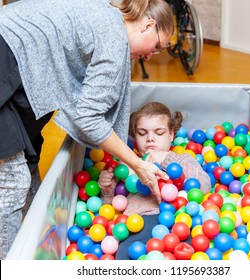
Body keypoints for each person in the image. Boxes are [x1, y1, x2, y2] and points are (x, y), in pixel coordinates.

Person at [0, 0, 174, 259]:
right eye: (158, 46)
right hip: (7, 54)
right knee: (13, 183)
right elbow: (88, 118)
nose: (150, 55)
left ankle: (29, 247)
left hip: (15, 56)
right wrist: (138, 164)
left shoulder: (106, 14)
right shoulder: (114, 37)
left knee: (27, 162)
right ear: (148, 25)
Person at [98, 102, 211, 259]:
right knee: (124, 255)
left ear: (171, 135)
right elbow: (108, 208)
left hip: (179, 221)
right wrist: (107, 188)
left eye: (159, 133)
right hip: (136, 224)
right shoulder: (128, 164)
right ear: (135, 136)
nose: (150, 139)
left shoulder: (181, 159)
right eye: (142, 133)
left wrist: (166, 158)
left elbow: (204, 185)